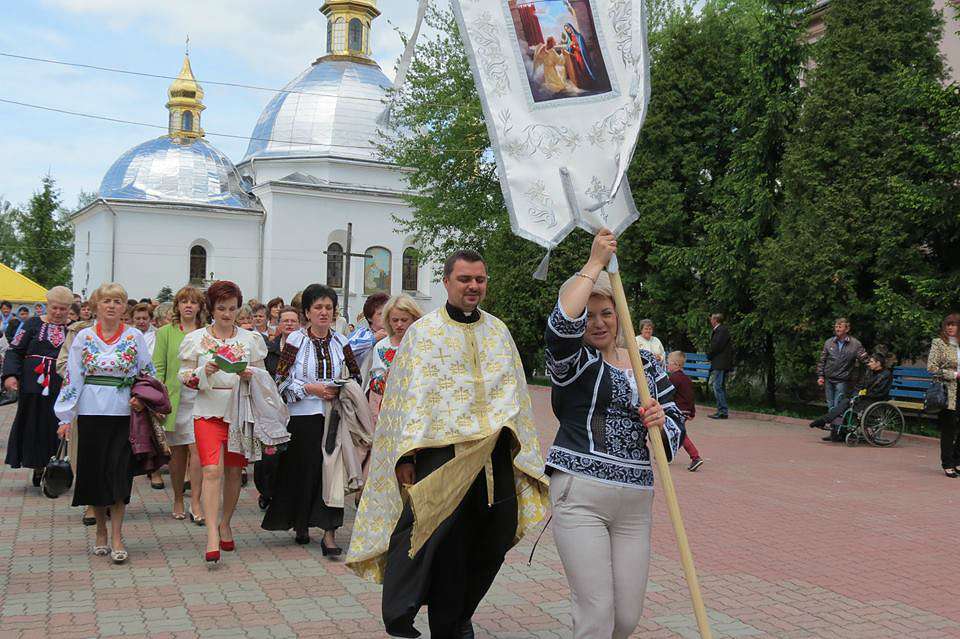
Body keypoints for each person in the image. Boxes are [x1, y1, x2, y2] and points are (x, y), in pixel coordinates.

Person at [347, 249, 549, 639]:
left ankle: (459, 612)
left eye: (480, 279)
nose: (473, 286)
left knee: (494, 540)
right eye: (465, 279)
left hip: (494, 460)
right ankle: (450, 624)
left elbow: (516, 395)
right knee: (447, 548)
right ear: (446, 282)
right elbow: (406, 400)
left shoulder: (498, 331)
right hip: (441, 460)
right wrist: (407, 456)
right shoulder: (424, 334)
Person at [544, 229, 683, 639]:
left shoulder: (647, 364)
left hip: (636, 502)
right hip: (581, 495)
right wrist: (593, 264)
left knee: (625, 618)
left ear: (619, 313)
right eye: (588, 314)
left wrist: (661, 421)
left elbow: (677, 421)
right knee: (596, 614)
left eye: (605, 312)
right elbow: (560, 327)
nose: (597, 322)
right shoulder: (575, 363)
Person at [54, 282, 156, 564]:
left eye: (118, 301)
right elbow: (73, 376)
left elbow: (148, 373)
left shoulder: (135, 336)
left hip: (123, 414)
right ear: (96, 305)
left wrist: (141, 398)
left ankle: (117, 536)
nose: (112, 306)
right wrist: (65, 416)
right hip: (90, 412)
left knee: (119, 474)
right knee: (95, 473)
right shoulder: (84, 337)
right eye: (107, 301)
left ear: (125, 307)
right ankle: (100, 529)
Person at [263, 284, 362, 550]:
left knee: (333, 471)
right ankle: (301, 522)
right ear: (307, 312)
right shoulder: (296, 341)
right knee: (303, 471)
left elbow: (355, 377)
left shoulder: (342, 341)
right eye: (318, 307)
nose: (324, 312)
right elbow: (281, 380)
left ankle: (330, 532)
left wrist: (340, 387)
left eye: (328, 307)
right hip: (303, 415)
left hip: (334, 417)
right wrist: (310, 388)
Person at [178, 280, 267, 563]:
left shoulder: (250, 340)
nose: (227, 314)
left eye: (232, 308)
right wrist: (205, 370)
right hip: (207, 410)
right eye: (221, 308)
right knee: (211, 470)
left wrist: (248, 375)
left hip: (239, 411)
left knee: (232, 472)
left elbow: (263, 377)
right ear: (211, 309)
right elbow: (185, 376)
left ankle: (225, 521)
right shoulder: (196, 339)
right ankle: (212, 535)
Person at [2, 286, 73, 486]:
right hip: (33, 385)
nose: (58, 313)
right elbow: (14, 350)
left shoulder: (73, 330)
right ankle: (36, 465)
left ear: (69, 310)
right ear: (47, 305)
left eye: (63, 309)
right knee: (34, 423)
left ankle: (55, 466)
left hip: (61, 386)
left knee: (57, 424)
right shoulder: (31, 324)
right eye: (55, 308)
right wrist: (10, 375)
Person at [153, 286, 206, 521]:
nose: (188, 306)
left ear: (199, 307)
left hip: (201, 399)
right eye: (184, 301)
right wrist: (158, 399)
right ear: (177, 306)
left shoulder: (207, 333)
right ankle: (177, 498)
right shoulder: (165, 332)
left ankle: (196, 501)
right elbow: (159, 368)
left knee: (198, 451)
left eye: (193, 302)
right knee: (177, 455)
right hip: (175, 400)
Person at [256, 305, 301, 511]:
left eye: (293, 321)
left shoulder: (304, 348)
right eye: (285, 321)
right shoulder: (269, 349)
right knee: (269, 456)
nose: (289, 324)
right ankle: (267, 491)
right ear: (278, 324)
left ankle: (284, 495)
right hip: (271, 409)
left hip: (297, 407)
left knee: (290, 455)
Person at [366, 294, 424, 422]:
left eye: (404, 320)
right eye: (395, 320)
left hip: (417, 407)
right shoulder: (382, 346)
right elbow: (376, 384)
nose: (399, 324)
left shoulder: (422, 345)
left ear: (414, 319)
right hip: (388, 409)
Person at [810, 353, 892, 442]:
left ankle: (825, 421)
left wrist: (864, 394)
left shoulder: (886, 375)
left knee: (846, 404)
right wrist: (855, 394)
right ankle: (837, 432)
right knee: (845, 402)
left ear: (878, 363)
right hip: (864, 399)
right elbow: (860, 386)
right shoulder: (869, 372)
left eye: (871, 362)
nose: (869, 364)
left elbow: (880, 392)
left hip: (874, 402)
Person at [927, 314, 960, 477]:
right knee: (949, 427)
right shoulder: (938, 343)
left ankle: (957, 460)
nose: (950, 327)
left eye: (953, 325)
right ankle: (947, 463)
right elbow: (931, 367)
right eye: (948, 324)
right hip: (948, 390)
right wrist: (954, 374)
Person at [816, 318, 868, 413]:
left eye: (840, 327)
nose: (837, 329)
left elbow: (865, 360)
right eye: (836, 327)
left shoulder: (855, 344)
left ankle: (836, 426)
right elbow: (822, 360)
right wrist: (820, 376)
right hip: (828, 379)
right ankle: (833, 424)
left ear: (847, 329)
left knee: (838, 404)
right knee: (830, 405)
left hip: (842, 380)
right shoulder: (829, 342)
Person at [667, 351, 704, 471]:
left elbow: (668, 395)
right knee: (674, 431)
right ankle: (666, 454)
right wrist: (692, 412)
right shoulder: (687, 379)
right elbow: (691, 397)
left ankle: (695, 457)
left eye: (669, 363)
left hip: (677, 410)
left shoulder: (673, 378)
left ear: (676, 364)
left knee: (680, 434)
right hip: (685, 411)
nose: (667, 366)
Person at [347, 292, 389, 366]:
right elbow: (346, 350)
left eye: (388, 313)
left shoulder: (396, 334)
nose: (386, 317)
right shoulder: (363, 333)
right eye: (381, 314)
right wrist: (373, 339)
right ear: (370, 318)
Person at [707, 313, 734, 419]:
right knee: (720, 386)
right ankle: (722, 410)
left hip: (720, 362)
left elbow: (716, 346)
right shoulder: (721, 330)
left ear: (715, 320)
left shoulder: (721, 330)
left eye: (712, 319)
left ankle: (722, 411)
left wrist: (709, 355)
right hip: (721, 362)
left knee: (717, 386)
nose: (710, 321)